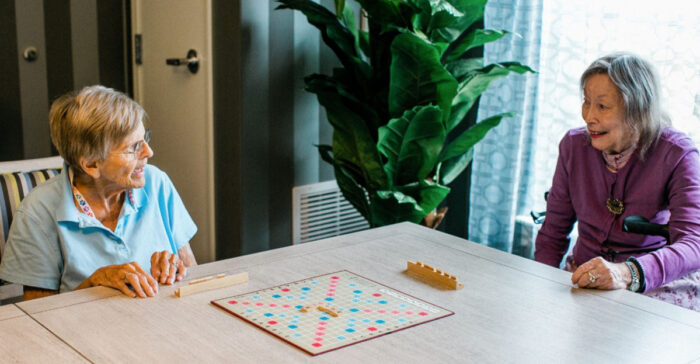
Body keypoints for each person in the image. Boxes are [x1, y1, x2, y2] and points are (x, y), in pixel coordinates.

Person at [534, 53, 700, 311]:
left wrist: (627, 273)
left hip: (651, 283)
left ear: (638, 110)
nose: (589, 117)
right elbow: (553, 231)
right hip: (586, 273)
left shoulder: (678, 153)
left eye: (602, 106)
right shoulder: (573, 146)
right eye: (586, 102)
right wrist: (537, 285)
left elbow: (693, 244)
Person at [0, 85, 197, 300]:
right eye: (133, 147)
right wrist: (94, 282)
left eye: (145, 139)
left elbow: (193, 275)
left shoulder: (156, 182)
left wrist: (175, 267)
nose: (149, 152)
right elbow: (38, 314)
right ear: (92, 164)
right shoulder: (38, 211)